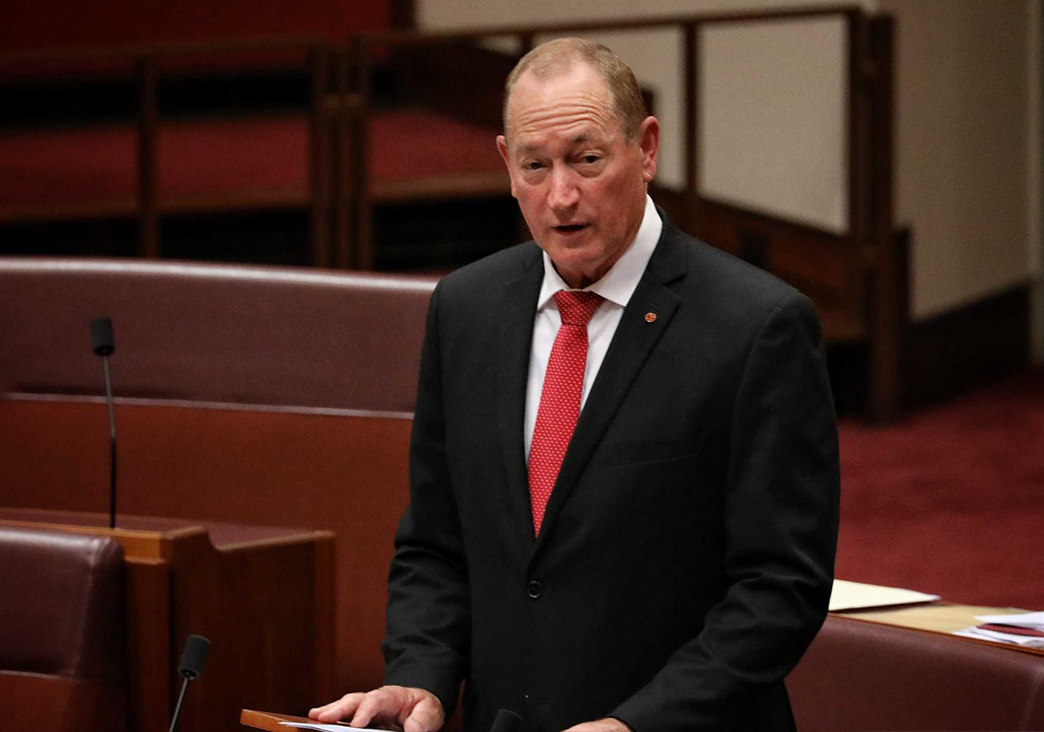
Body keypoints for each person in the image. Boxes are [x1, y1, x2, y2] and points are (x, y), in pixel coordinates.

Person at [310, 38, 839, 732]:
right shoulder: (465, 310)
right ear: (508, 165)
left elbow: (780, 587)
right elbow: (437, 544)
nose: (561, 196)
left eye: (587, 160)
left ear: (645, 149)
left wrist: (635, 726)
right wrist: (421, 676)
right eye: (536, 165)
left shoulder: (757, 327)